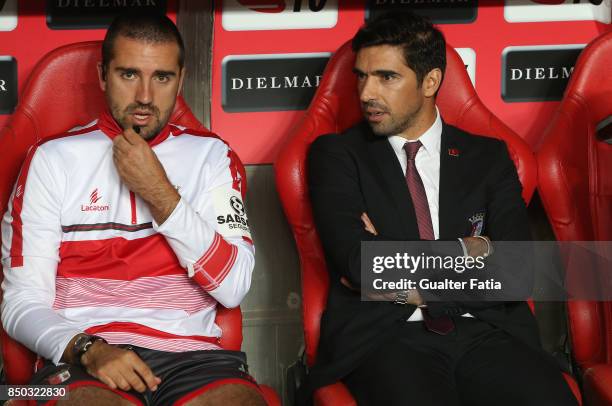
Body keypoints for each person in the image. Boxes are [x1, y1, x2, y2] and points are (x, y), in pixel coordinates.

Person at [305, 12, 578, 406]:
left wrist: (406, 281)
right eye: (361, 76)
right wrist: (470, 250)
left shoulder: (488, 157)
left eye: (387, 77)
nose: (366, 93)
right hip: (388, 338)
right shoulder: (338, 155)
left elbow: (516, 270)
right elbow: (360, 264)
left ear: (430, 81)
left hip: (487, 331)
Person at [1, 14, 266, 406]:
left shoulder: (213, 157)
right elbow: (20, 302)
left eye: (161, 77)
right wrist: (88, 348)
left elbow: (234, 286)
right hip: (85, 357)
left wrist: (160, 193)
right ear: (103, 75)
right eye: (128, 75)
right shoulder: (51, 159)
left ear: (180, 78)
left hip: (193, 358)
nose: (144, 96)